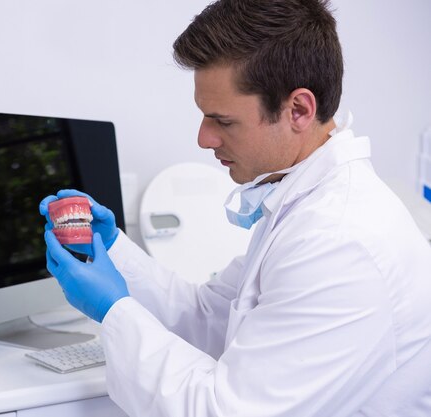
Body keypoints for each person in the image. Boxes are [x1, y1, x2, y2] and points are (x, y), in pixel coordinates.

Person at [39, 1, 431, 416]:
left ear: (298, 110)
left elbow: (224, 411)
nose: (203, 139)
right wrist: (114, 249)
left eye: (222, 121)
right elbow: (207, 316)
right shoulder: (299, 203)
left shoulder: (339, 239)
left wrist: (113, 310)